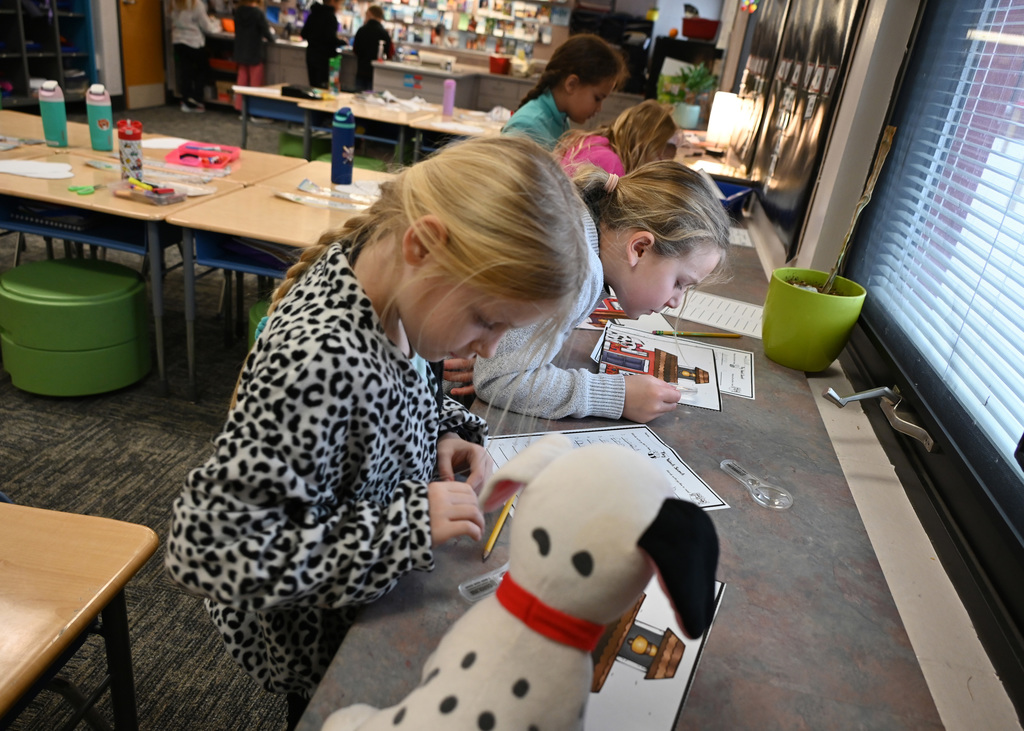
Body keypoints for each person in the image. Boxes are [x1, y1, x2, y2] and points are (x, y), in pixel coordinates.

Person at [164, 135, 588, 730]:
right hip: (321, 642)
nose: (489, 350)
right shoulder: (319, 360)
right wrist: (406, 527)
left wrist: (446, 429)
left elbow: (406, 390)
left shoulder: (403, 295)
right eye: (486, 322)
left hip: (370, 597)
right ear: (423, 245)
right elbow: (210, 553)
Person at [470, 161, 731, 424]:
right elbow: (501, 381)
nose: (676, 302)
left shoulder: (581, 221)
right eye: (679, 283)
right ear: (639, 248)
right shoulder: (577, 269)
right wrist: (619, 396)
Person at [500, 33, 629, 151]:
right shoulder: (525, 127)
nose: (599, 108)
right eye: (597, 98)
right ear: (571, 84)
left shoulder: (561, 120)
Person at [557, 98, 680, 176]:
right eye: (658, 157)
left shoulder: (595, 141)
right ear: (644, 145)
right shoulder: (612, 164)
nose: (658, 164)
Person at [171, 0, 220, 112]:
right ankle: (196, 99)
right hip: (193, 41)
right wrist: (217, 25)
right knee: (204, 70)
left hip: (178, 40)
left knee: (186, 71)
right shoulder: (197, 4)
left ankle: (185, 99)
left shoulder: (175, 2)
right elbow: (207, 27)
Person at [232, 0, 275, 112]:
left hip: (241, 50)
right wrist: (273, 38)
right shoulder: (258, 13)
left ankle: (241, 108)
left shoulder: (238, 11)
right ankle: (255, 110)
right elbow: (266, 32)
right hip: (255, 51)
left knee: (242, 82)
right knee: (256, 83)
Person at [301, 0, 343, 89]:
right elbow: (330, 39)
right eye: (339, 4)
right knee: (324, 88)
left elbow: (304, 33)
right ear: (333, 2)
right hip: (325, 58)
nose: (340, 7)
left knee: (314, 86)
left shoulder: (313, 14)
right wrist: (342, 42)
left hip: (311, 55)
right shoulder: (331, 17)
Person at [352, 4, 393, 91]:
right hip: (377, 74)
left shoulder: (361, 30)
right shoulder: (384, 33)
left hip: (361, 71)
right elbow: (390, 54)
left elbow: (355, 50)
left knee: (358, 99)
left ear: (370, 14)